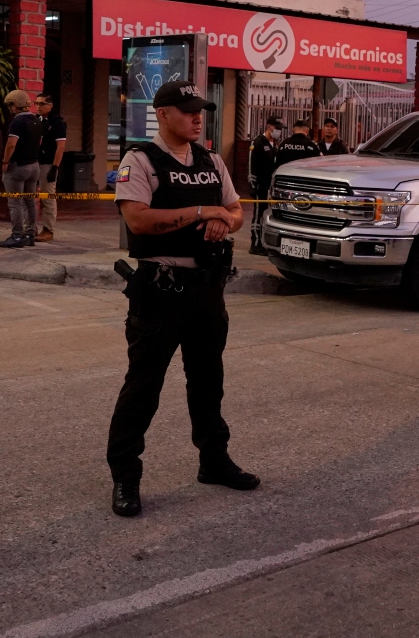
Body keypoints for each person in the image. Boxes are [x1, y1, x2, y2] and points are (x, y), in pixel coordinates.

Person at [107, 81, 254, 517]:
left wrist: (223, 222)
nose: (197, 118)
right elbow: (137, 220)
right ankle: (125, 477)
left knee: (209, 382)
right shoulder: (140, 160)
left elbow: (237, 210)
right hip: (161, 290)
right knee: (143, 387)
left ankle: (214, 461)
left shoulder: (210, 160)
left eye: (200, 111)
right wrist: (200, 212)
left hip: (207, 290)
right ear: (163, 113)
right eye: (188, 111)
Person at [0, 90, 44, 248]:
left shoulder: (17, 122)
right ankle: (30, 234)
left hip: (18, 167)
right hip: (34, 166)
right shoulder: (37, 120)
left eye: (10, 105)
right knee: (30, 201)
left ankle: (17, 236)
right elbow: (39, 142)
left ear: (14, 105)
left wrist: (5, 161)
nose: (10, 109)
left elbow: (11, 144)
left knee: (15, 202)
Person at [247, 115, 283, 254]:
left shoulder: (274, 144)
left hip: (271, 187)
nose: (278, 131)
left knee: (267, 215)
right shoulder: (258, 143)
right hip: (260, 186)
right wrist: (252, 183)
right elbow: (252, 165)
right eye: (277, 128)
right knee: (258, 215)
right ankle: (255, 244)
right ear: (269, 127)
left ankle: (264, 242)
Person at [35, 93, 66, 243]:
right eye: (37, 104)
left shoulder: (57, 122)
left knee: (48, 197)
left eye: (42, 104)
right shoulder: (37, 120)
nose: (38, 107)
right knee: (30, 197)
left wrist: (55, 167)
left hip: (48, 163)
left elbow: (60, 147)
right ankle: (31, 227)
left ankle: (48, 229)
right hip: (35, 162)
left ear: (50, 105)